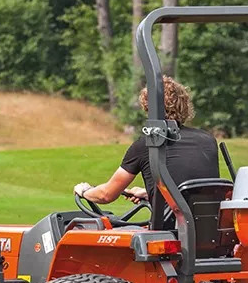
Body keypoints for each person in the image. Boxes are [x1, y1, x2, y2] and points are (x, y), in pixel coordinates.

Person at [73, 76, 219, 206]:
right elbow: (191, 196)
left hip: (170, 230)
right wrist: (151, 194)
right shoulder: (208, 140)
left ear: (150, 108)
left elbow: (106, 194)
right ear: (185, 105)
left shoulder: (148, 144)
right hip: (207, 230)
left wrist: (85, 191)